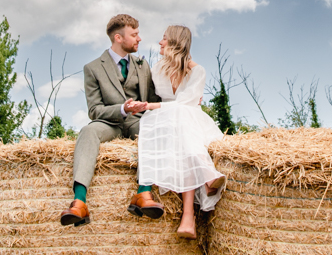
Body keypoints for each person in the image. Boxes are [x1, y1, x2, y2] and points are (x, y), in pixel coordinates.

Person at [60, 13, 165, 226]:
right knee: (88, 131)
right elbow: (95, 110)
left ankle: (143, 193)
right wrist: (122, 109)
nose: (139, 39)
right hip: (110, 124)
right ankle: (79, 203)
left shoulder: (143, 65)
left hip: (139, 121)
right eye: (134, 35)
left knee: (157, 129)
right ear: (118, 38)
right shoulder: (93, 68)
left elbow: (155, 100)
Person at [137, 25, 227, 239]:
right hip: (166, 119)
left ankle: (189, 216)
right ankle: (204, 181)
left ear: (175, 43)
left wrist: (149, 106)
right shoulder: (157, 69)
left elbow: (184, 105)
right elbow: (165, 101)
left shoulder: (197, 71)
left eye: (164, 38)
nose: (160, 42)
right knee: (180, 130)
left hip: (189, 119)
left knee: (182, 124)